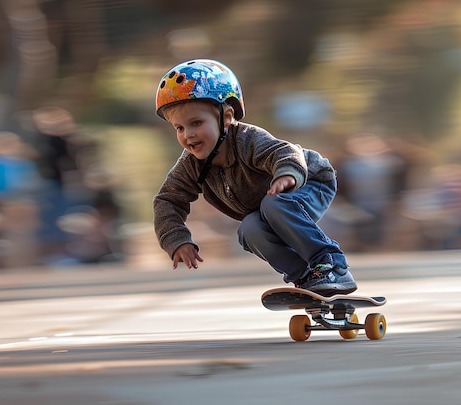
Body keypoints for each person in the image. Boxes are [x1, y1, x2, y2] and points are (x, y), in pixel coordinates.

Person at [153, 59, 357, 295]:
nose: (188, 134)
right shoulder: (191, 166)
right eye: (179, 128)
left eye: (196, 123)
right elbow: (167, 201)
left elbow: (283, 151)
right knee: (249, 229)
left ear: (226, 117)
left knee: (274, 204)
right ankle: (306, 277)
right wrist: (177, 240)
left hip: (308, 181)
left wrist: (286, 174)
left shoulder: (247, 139)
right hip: (269, 205)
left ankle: (333, 264)